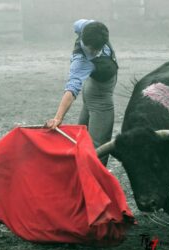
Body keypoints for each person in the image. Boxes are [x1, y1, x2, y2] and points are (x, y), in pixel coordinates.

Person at [45, 19, 118, 166]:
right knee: (99, 147)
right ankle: (93, 182)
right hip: (100, 97)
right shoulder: (81, 62)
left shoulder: (86, 27)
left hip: (91, 88)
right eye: (92, 50)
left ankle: (78, 172)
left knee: (82, 136)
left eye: (98, 48)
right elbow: (71, 90)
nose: (95, 53)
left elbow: (79, 24)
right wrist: (58, 118)